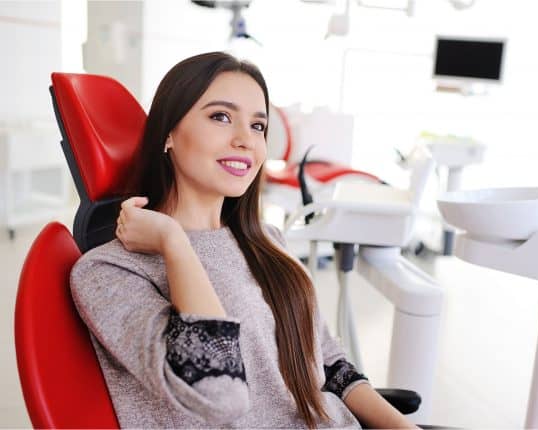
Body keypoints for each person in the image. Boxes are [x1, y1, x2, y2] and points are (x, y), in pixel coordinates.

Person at [70, 52, 418, 429]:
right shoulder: (107, 271)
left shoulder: (267, 241)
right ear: (168, 132)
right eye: (221, 117)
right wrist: (174, 243)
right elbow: (219, 395)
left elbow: (326, 359)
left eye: (257, 126)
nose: (245, 141)